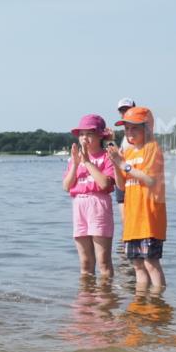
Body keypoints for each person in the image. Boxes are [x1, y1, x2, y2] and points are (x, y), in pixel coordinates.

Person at [108, 106, 166, 290]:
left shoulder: (152, 148)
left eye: (134, 128)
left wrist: (123, 165)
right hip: (132, 219)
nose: (129, 132)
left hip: (149, 217)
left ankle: (158, 304)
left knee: (151, 263)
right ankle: (140, 303)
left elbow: (149, 179)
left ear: (146, 128)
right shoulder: (128, 153)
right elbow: (121, 185)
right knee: (137, 266)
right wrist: (116, 164)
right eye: (126, 129)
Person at [62, 114, 116, 278]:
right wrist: (76, 163)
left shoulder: (107, 156)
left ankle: (105, 300)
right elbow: (66, 186)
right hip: (79, 206)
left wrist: (87, 162)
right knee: (85, 262)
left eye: (90, 134)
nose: (85, 138)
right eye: (82, 134)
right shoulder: (75, 160)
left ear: (100, 135)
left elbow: (105, 184)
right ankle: (86, 299)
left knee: (103, 262)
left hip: (98, 205)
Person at [113, 98, 135, 225]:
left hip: (132, 177)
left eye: (127, 109)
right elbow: (118, 155)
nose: (125, 113)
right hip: (122, 178)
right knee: (125, 220)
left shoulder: (140, 132)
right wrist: (111, 140)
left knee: (131, 220)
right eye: (122, 111)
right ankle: (125, 243)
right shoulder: (125, 136)